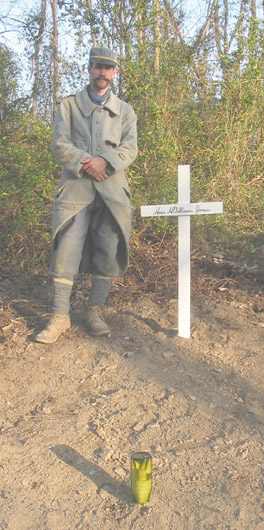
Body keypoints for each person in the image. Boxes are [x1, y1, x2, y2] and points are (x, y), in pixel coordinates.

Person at [35, 47, 138, 343]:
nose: (102, 73)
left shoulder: (126, 112)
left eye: (108, 68)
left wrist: (106, 161)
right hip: (75, 189)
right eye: (98, 67)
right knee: (66, 247)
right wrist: (86, 163)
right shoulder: (68, 106)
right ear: (89, 68)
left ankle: (94, 311)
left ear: (114, 73)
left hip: (112, 190)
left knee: (107, 249)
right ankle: (59, 317)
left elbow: (130, 148)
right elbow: (60, 144)